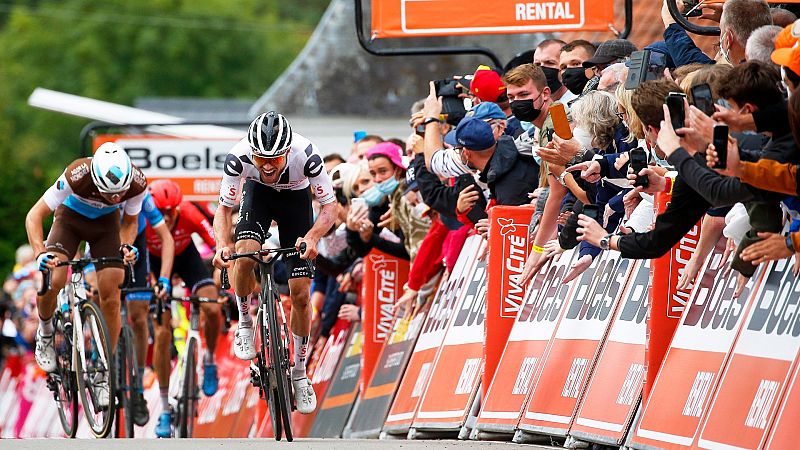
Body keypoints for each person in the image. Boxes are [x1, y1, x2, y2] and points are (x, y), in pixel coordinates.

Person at [212, 111, 337, 414]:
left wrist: (312, 237)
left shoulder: (307, 155)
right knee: (244, 254)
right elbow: (224, 209)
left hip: (296, 201)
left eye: (275, 159)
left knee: (301, 294)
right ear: (252, 152)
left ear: (287, 152)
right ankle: (245, 322)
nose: (267, 166)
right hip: (258, 197)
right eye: (261, 159)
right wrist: (222, 245)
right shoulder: (238, 157)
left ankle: (300, 373)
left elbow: (330, 207)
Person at [25, 142, 143, 408]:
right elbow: (34, 216)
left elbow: (130, 221)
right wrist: (39, 253)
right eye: (108, 193)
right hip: (70, 221)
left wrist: (125, 245)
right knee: (54, 279)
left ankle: (103, 371)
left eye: (119, 194)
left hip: (106, 228)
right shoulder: (76, 174)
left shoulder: (137, 182)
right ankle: (45, 334)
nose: (115, 199)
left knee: (111, 294)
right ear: (96, 180)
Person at [146, 180, 221, 437]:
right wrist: (154, 285)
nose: (166, 217)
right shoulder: (144, 218)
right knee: (162, 333)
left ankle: (209, 359)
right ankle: (165, 409)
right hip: (155, 265)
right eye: (161, 211)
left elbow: (217, 245)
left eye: (171, 211)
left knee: (212, 306)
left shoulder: (189, 212)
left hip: (187, 258)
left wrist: (222, 269)